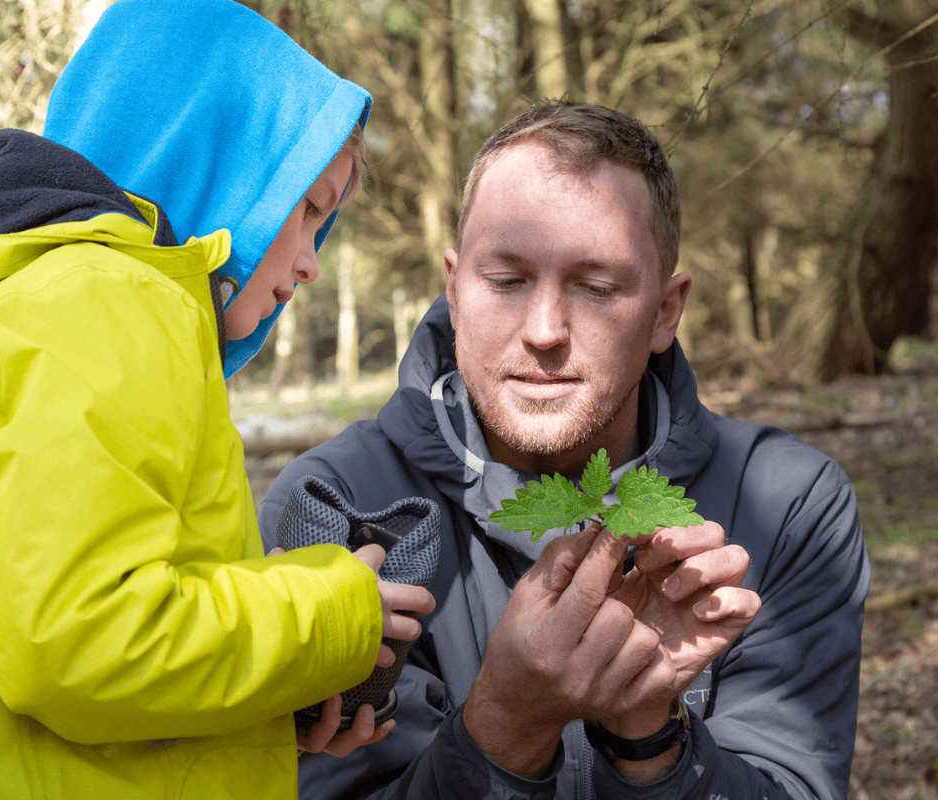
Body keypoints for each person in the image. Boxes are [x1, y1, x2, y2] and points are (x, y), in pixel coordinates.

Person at [0, 1, 433, 798]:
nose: (311, 263)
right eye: (307, 209)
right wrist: (331, 615)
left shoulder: (55, 302)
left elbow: (48, 675)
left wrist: (260, 705)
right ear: (215, 162)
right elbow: (86, 644)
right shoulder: (108, 301)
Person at [258, 100, 870, 800]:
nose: (545, 330)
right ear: (453, 290)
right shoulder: (333, 508)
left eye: (597, 287)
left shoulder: (790, 506)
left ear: (666, 310)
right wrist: (505, 725)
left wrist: (651, 738)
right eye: (507, 281)